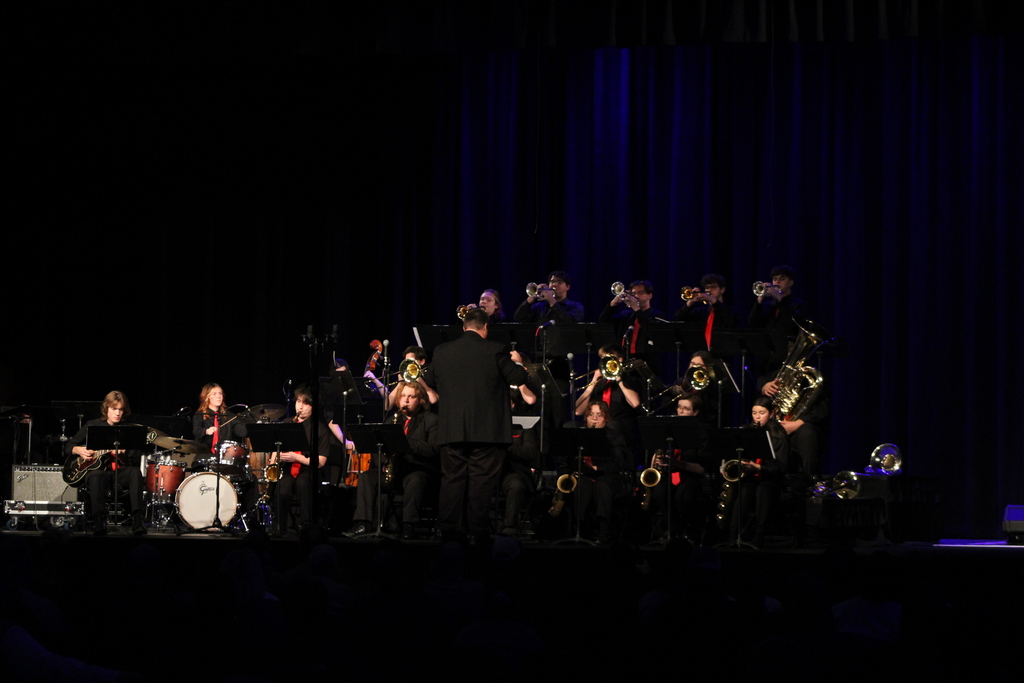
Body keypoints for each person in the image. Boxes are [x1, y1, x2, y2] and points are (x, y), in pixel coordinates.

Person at [424, 307, 529, 544]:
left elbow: (429, 381)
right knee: (481, 483)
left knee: (452, 481)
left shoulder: (442, 351)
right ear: (485, 328)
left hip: (452, 431)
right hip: (487, 432)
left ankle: (448, 533)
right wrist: (517, 362)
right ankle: (477, 534)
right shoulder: (495, 350)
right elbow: (518, 378)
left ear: (463, 328)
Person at [342, 381, 440, 540]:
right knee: (367, 476)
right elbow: (377, 448)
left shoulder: (431, 420)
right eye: (403, 396)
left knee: (415, 479)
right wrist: (383, 462)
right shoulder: (392, 421)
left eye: (411, 397)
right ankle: (363, 524)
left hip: (416, 470)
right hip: (394, 471)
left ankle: (409, 526)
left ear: (420, 399)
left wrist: (405, 442)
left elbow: (434, 450)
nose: (406, 400)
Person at [64, 390, 146, 535]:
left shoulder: (130, 430)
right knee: (95, 477)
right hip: (99, 472)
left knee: (135, 472)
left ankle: (137, 520)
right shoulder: (93, 426)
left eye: (120, 409)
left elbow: (133, 461)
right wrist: (78, 450)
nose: (117, 413)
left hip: (120, 472)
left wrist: (122, 455)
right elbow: (68, 446)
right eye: (114, 409)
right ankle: (99, 521)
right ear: (106, 409)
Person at [557, 401, 630, 543]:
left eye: (599, 415)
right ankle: (580, 530)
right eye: (591, 415)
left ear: (606, 418)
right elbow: (563, 459)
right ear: (586, 418)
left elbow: (620, 463)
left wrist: (598, 469)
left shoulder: (613, 436)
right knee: (580, 486)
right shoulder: (578, 435)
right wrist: (566, 474)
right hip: (584, 476)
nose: (594, 419)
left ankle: (603, 531)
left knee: (602, 486)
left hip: (608, 475)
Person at [727, 397, 790, 549]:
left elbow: (781, 467)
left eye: (762, 413)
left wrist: (759, 468)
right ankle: (732, 535)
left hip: (772, 478)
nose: (757, 416)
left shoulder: (779, 435)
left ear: (771, 414)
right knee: (745, 489)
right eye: (754, 413)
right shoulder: (748, 431)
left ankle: (759, 537)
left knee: (763, 490)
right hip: (752, 476)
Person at [270, 384, 333, 534]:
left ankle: (307, 526)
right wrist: (274, 461)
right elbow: (275, 449)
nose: (301, 407)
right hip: (286, 469)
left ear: (313, 406)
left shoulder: (320, 429)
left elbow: (321, 462)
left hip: (309, 469)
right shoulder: (286, 423)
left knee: (304, 484)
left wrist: (296, 457)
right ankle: (280, 527)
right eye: (298, 402)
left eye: (305, 403)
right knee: (283, 489)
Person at [646, 395, 710, 542]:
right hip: (669, 474)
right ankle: (669, 530)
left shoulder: (701, 432)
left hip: (690, 476)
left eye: (686, 408)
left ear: (695, 412)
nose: (681, 411)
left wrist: (675, 463)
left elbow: (701, 469)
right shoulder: (668, 428)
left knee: (684, 494)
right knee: (660, 492)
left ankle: (685, 531)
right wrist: (656, 461)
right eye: (679, 407)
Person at [748, 265, 807, 373]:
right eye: (775, 279)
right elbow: (752, 323)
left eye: (782, 279)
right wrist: (759, 300)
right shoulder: (768, 305)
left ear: (791, 283)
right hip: (767, 360)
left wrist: (779, 298)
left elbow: (791, 324)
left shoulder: (798, 305)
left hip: (787, 359)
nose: (777, 282)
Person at [599, 279, 665, 373]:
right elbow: (603, 321)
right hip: (625, 360)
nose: (636, 296)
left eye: (640, 293)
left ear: (650, 295)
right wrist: (613, 304)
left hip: (647, 363)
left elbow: (649, 329)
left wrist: (636, 307)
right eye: (633, 294)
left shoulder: (657, 315)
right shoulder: (626, 315)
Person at [674, 273, 740, 349]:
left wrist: (713, 300)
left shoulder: (731, 310)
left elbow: (732, 321)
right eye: (707, 288)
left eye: (713, 287)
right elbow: (678, 319)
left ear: (722, 290)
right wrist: (690, 302)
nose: (709, 290)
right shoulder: (701, 312)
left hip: (723, 353)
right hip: (702, 353)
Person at [192, 383, 248, 457]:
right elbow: (196, 431)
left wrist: (254, 428)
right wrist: (206, 431)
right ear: (206, 397)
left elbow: (241, 431)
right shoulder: (200, 415)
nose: (218, 396)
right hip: (204, 456)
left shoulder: (228, 415)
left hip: (223, 456)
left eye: (220, 393)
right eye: (214, 394)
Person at [513, 270, 584, 324]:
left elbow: (568, 322)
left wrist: (552, 301)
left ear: (567, 287)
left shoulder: (575, 307)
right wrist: (529, 300)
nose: (555, 285)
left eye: (559, 282)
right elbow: (518, 318)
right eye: (552, 282)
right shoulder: (539, 307)